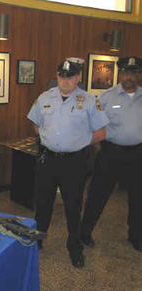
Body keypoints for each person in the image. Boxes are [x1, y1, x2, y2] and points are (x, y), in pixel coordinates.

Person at [27, 58, 109, 268]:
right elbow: (36, 125)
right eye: (62, 76)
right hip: (48, 160)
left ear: (78, 77)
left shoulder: (90, 101)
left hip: (74, 162)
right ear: (57, 76)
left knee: (73, 206)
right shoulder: (45, 97)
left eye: (70, 76)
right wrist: (50, 140)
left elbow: (100, 133)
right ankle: (38, 243)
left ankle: (74, 247)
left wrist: (77, 143)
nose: (65, 80)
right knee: (43, 204)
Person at [81, 56, 142, 252]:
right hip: (110, 154)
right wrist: (99, 148)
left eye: (133, 73)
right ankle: (85, 233)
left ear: (138, 75)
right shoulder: (106, 97)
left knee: (138, 199)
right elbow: (92, 124)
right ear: (120, 74)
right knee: (97, 195)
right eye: (125, 73)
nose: (129, 77)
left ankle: (136, 236)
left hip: (137, 155)